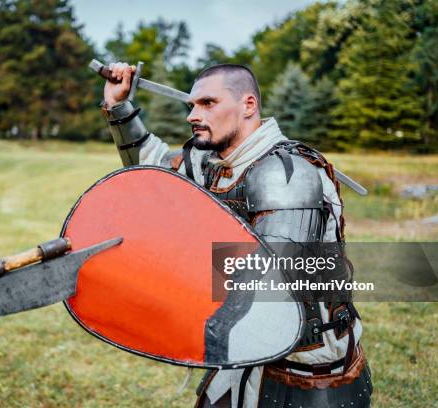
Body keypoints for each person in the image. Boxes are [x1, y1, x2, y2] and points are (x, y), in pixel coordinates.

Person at [99, 61, 372, 408]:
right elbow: (152, 172)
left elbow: (270, 278)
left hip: (307, 367)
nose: (192, 115)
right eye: (192, 105)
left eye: (208, 103)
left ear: (248, 105)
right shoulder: (217, 163)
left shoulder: (287, 175)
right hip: (245, 348)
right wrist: (119, 105)